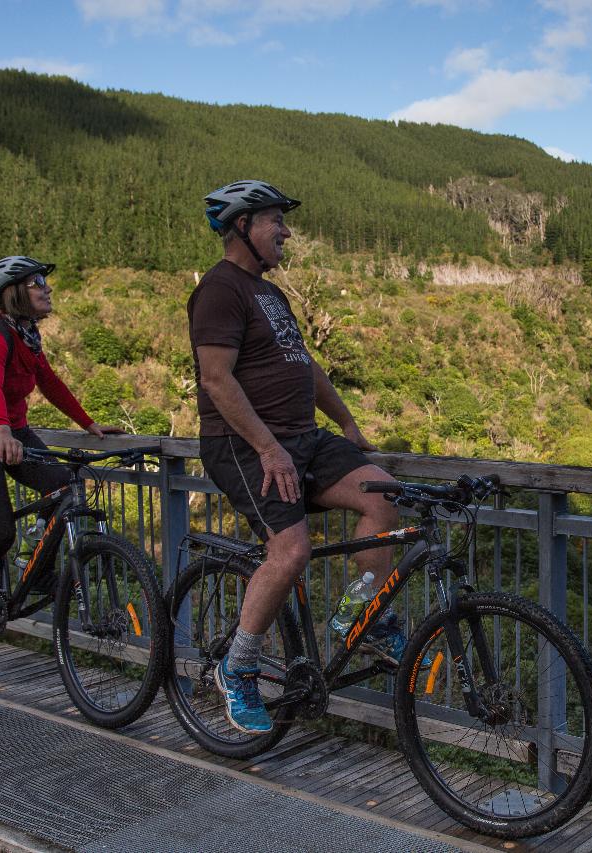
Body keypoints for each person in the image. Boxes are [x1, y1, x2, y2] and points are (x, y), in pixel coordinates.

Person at [189, 180, 402, 735]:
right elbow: (216, 379)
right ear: (242, 227)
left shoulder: (271, 295)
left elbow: (305, 368)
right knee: (290, 552)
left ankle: (360, 614)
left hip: (302, 440)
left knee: (383, 495)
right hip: (244, 446)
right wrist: (267, 448)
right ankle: (238, 669)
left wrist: (346, 422)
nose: (286, 231)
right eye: (275, 221)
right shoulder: (219, 289)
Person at [0, 256, 122, 634]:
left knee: (63, 485)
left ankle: (39, 569)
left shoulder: (26, 337)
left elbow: (49, 383)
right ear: (13, 293)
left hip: (12, 432)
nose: (46, 288)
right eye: (36, 282)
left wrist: (89, 423)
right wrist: (0, 431)